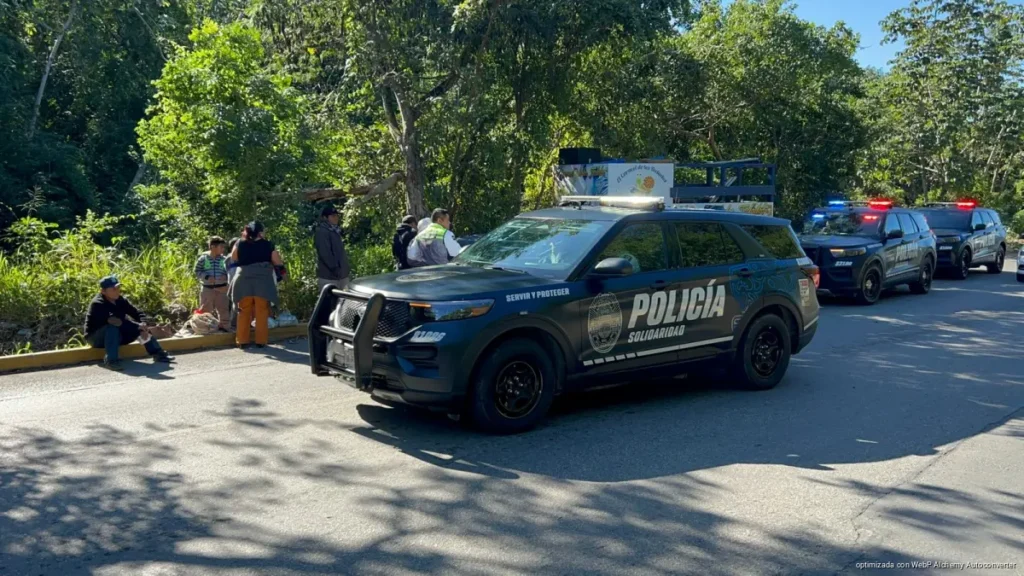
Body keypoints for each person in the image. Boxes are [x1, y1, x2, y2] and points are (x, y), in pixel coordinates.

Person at [84, 276, 174, 371]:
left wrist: (143, 324)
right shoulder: (98, 304)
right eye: (113, 289)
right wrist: (137, 326)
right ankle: (111, 361)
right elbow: (117, 322)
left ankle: (158, 353)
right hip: (96, 338)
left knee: (140, 328)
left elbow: (136, 312)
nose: (117, 290)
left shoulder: (120, 300)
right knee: (112, 328)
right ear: (103, 291)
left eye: (118, 287)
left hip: (117, 336)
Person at [230, 221, 284, 349]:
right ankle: (261, 341)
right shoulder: (268, 244)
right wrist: (282, 272)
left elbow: (233, 257)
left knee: (243, 310)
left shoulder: (239, 243)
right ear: (260, 232)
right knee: (261, 311)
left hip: (243, 280)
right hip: (262, 281)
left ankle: (242, 341)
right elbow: (277, 261)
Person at [194, 236, 231, 332]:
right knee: (205, 309)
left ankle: (225, 327)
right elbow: (197, 271)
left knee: (223, 309)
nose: (223, 249)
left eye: (223, 247)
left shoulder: (225, 259)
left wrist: (226, 277)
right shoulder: (203, 258)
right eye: (221, 247)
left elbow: (230, 271)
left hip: (222, 289)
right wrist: (206, 277)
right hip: (207, 288)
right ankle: (205, 327)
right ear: (212, 247)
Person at [314, 205, 350, 292]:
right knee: (330, 304)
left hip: (341, 276)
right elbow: (325, 254)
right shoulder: (322, 232)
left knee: (343, 303)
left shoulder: (334, 230)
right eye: (333, 216)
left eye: (336, 215)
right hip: (329, 277)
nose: (336, 218)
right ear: (325, 218)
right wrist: (335, 269)